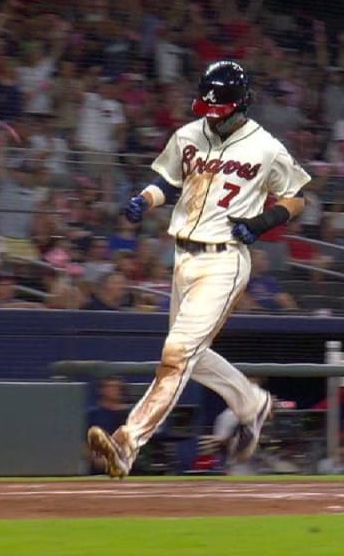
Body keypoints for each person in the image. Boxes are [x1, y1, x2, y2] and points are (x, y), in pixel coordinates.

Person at [87, 60, 310, 479]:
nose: (210, 115)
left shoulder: (266, 146)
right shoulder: (188, 135)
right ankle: (252, 404)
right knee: (193, 354)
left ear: (239, 105)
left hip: (225, 259)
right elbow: (168, 182)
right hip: (183, 257)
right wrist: (146, 200)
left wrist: (261, 223)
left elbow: (296, 198)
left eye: (218, 108)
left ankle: (127, 442)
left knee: (176, 356)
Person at [85, 377, 130, 476]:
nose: (115, 390)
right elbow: (84, 442)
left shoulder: (127, 415)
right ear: (102, 390)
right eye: (112, 386)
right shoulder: (93, 415)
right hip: (98, 469)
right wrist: (95, 459)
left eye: (118, 387)